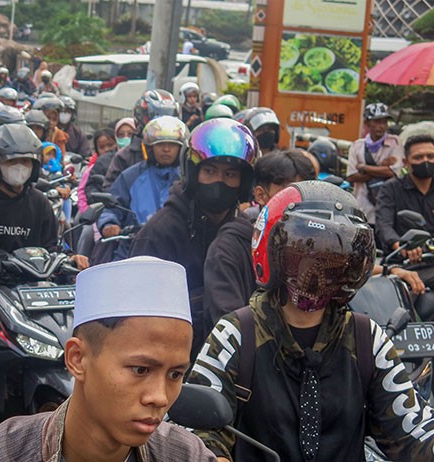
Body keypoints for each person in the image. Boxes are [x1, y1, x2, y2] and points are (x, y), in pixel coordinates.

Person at [189, 180, 434, 461]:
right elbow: (200, 433)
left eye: (334, 262)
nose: (318, 274)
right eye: (302, 258)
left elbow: (411, 431)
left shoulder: (368, 338)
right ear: (273, 254)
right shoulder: (235, 334)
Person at [0, 256, 217, 462]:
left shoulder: (187, 455)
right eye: (140, 369)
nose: (159, 397)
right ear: (77, 358)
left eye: (175, 374)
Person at [130, 118, 257, 358]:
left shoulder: (245, 236)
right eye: (210, 171)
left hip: (234, 360)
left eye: (230, 174)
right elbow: (136, 315)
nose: (220, 181)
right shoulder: (159, 233)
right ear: (193, 172)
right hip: (172, 361)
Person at [202, 150, 317, 335]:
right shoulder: (227, 249)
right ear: (261, 195)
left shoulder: (315, 248)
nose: (300, 204)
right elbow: (229, 329)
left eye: (306, 194)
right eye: (289, 194)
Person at [0, 124, 88, 270]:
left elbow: (51, 246)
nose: (19, 167)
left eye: (25, 161)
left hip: (30, 282)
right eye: (11, 161)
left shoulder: (39, 202)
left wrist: (70, 258)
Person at [96, 116, 188, 262]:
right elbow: (112, 207)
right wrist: (109, 224)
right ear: (150, 148)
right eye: (160, 144)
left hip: (178, 251)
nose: (166, 149)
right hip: (132, 249)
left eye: (172, 144)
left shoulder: (188, 178)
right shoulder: (130, 176)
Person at [376, 134, 434, 268]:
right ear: (405, 162)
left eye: (431, 156)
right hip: (400, 264)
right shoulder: (391, 188)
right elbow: (383, 225)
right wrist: (401, 246)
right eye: (418, 157)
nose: (425, 161)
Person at [104, 90, 179, 189]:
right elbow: (112, 192)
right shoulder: (125, 157)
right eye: (156, 123)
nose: (166, 149)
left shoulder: (184, 156)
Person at [345, 102, 403, 225]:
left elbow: (393, 172)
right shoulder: (357, 146)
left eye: (384, 122)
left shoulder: (395, 142)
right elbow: (351, 176)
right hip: (362, 208)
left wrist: (363, 167)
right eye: (377, 122)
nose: (381, 126)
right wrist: (381, 168)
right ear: (367, 123)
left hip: (387, 209)